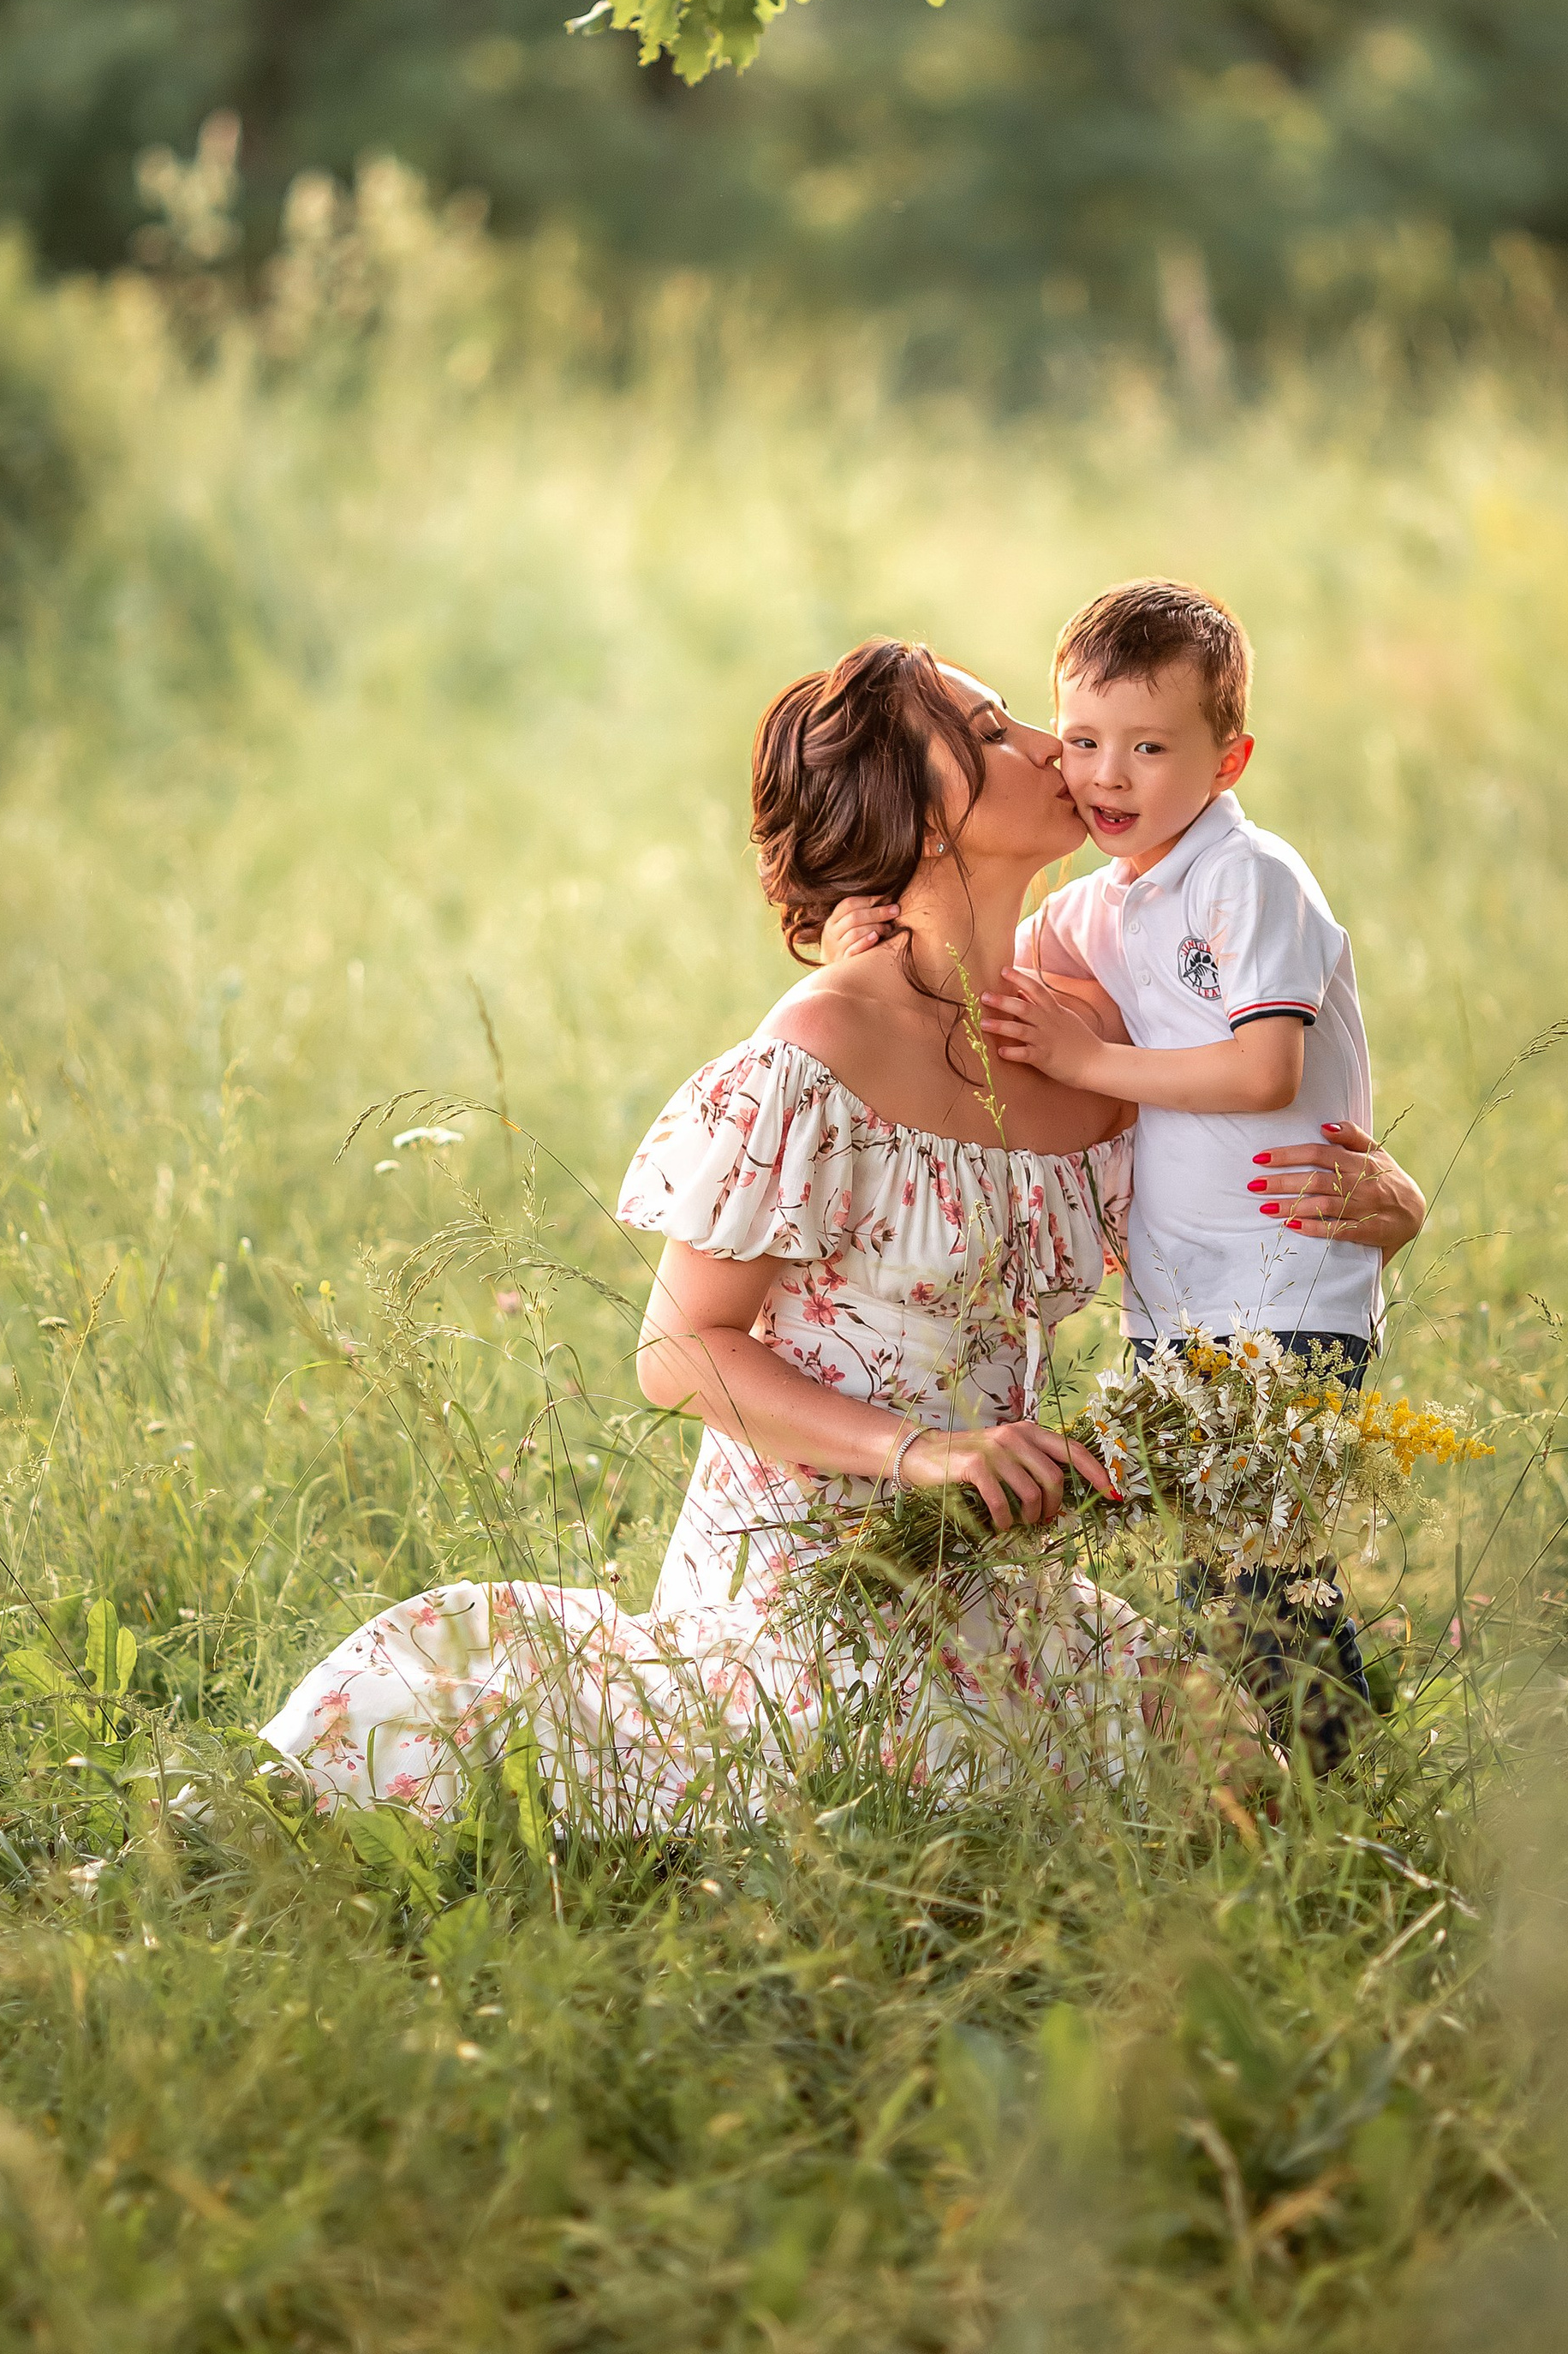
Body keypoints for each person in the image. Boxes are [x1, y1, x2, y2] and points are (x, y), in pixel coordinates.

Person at [261, 638, 1408, 1831]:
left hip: (978, 1559)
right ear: (915, 823)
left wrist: (1393, 1202)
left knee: (1248, 1784)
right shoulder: (822, 1047)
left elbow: (1237, 1162)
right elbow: (680, 1349)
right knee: (916, 1798)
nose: (1048, 748)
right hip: (812, 1566)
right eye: (992, 731)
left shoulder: (1087, 1024)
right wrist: (928, 1452)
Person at [828, 581, 1425, 1765]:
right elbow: (985, 963)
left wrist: (1094, 1055)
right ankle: (1285, 1781)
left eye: (1150, 748)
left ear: (1230, 755)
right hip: (1181, 1304)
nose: (1106, 773)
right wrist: (878, 928)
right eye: (1086, 738)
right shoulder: (1100, 905)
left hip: (1284, 1286)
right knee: (1217, 1581)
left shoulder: (1249, 879)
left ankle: (1341, 1789)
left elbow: (1264, 1069)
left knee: (1264, 1580)